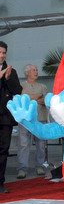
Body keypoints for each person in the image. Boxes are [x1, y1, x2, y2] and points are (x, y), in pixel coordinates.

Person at [16, 65, 49, 179]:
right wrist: (38, 96)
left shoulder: (43, 86)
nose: (36, 72)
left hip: (40, 120)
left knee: (40, 145)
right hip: (25, 120)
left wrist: (30, 97)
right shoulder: (21, 86)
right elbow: (22, 99)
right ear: (26, 73)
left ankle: (40, 166)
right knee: (23, 145)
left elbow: (45, 100)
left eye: (36, 70)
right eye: (33, 70)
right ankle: (22, 169)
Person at [0, 41, 22, 193]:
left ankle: (0, 183)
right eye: (0, 52)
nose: (2, 55)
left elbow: (17, 90)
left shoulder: (11, 71)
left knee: (2, 151)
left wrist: (7, 78)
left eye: (4, 52)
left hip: (4, 118)